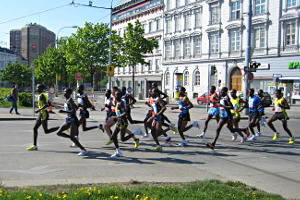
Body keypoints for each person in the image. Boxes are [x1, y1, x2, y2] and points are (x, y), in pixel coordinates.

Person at [26, 84, 60, 151]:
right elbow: (49, 103)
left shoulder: (42, 95)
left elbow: (46, 104)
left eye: (38, 87)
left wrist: (39, 109)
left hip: (43, 114)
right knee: (35, 128)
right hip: (41, 113)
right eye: (37, 87)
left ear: (41, 88)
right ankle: (34, 146)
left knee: (46, 131)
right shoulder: (43, 94)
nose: (36, 88)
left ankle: (62, 127)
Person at [56, 88, 88, 156]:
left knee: (71, 137)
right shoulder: (67, 100)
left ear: (69, 93)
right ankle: (74, 139)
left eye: (65, 92)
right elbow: (76, 107)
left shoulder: (70, 100)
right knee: (59, 133)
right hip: (68, 120)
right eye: (64, 91)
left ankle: (83, 149)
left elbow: (73, 111)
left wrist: (64, 111)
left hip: (72, 120)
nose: (64, 93)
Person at [110, 90, 140, 157]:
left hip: (123, 122)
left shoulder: (121, 103)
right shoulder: (117, 102)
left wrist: (116, 116)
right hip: (119, 122)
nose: (115, 95)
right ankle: (118, 151)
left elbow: (125, 113)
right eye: (115, 94)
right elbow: (118, 111)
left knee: (121, 139)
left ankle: (135, 133)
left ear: (120, 96)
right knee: (114, 137)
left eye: (116, 94)